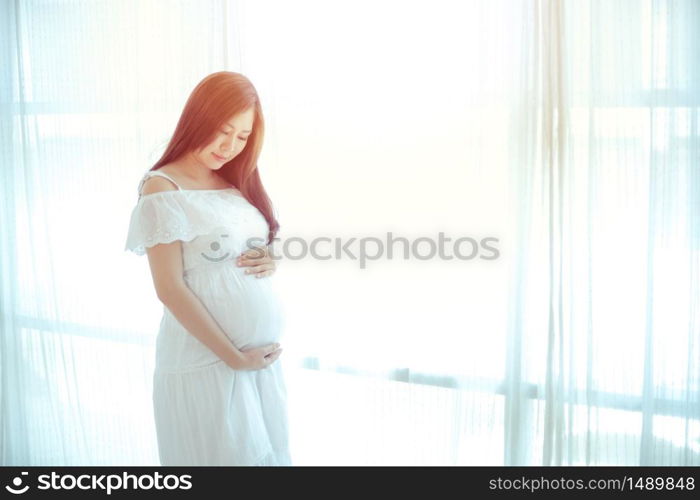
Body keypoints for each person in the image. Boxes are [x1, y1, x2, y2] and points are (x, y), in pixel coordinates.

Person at [124, 71, 291, 466]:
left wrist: (272, 255)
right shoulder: (163, 188)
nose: (230, 146)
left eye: (243, 136)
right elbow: (170, 288)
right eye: (223, 130)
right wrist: (233, 356)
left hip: (257, 368)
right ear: (197, 118)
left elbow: (247, 241)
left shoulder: (234, 180)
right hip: (207, 364)